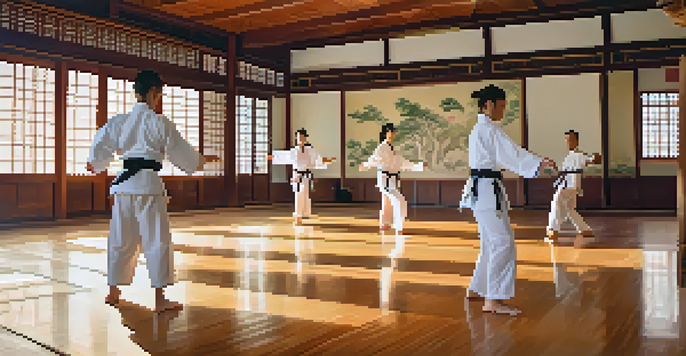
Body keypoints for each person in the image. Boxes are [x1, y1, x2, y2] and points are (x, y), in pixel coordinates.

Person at [86, 70, 220, 313]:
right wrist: (201, 161)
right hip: (148, 187)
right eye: (158, 94)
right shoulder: (160, 123)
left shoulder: (120, 121)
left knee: (120, 238)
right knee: (156, 240)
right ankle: (160, 300)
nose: (158, 99)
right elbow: (183, 155)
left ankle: (113, 292)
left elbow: (100, 146)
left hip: (124, 188)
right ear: (152, 92)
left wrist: (96, 163)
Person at [460, 84, 556, 315]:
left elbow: (509, 152)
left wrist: (534, 161)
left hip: (482, 191)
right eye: (501, 106)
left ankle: (479, 288)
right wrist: (538, 162)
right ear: (489, 105)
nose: (503, 110)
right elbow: (511, 153)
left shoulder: (480, 129)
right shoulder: (488, 130)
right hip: (485, 191)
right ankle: (492, 300)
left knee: (490, 242)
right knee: (502, 242)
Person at [359, 123, 427, 235]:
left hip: (392, 179)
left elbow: (402, 163)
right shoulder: (382, 147)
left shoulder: (393, 149)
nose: (392, 134)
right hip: (385, 178)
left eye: (393, 132)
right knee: (399, 200)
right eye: (390, 132)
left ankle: (385, 223)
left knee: (387, 201)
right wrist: (365, 165)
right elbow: (374, 159)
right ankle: (398, 226)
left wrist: (418, 166)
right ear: (385, 134)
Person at [268, 128, 335, 225]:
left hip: (306, 175)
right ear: (296, 138)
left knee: (305, 195)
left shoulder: (310, 150)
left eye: (302, 137)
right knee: (299, 194)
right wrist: (272, 157)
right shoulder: (293, 151)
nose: (300, 138)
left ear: (305, 138)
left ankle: (304, 213)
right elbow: (283, 157)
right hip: (297, 175)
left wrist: (328, 160)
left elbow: (317, 160)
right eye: (298, 137)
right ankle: (298, 216)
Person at [546, 130, 600, 246]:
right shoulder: (568, 157)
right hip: (566, 183)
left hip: (571, 185)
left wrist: (595, 158)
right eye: (566, 139)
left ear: (577, 141)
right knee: (570, 209)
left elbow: (590, 160)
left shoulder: (579, 155)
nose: (568, 142)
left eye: (571, 139)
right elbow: (563, 171)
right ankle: (585, 229)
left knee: (557, 199)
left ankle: (553, 229)